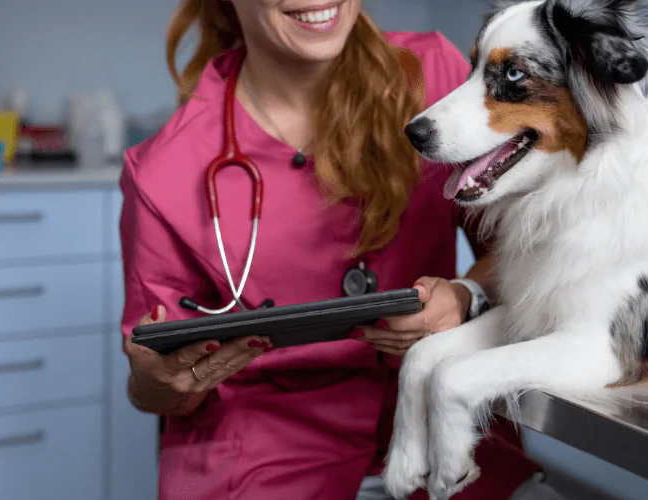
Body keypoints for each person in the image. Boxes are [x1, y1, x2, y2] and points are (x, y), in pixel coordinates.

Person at [117, 1, 546, 498]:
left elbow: (526, 252)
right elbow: (150, 392)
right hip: (263, 459)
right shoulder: (165, 169)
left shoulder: (436, 76)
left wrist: (466, 295)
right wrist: (165, 377)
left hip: (443, 430)